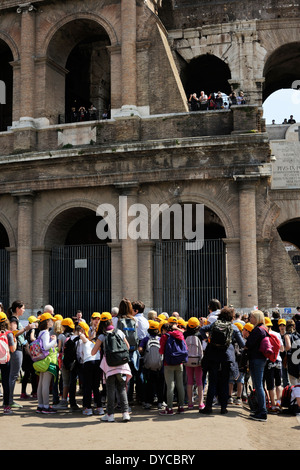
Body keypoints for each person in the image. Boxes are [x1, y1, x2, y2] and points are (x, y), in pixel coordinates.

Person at [199, 306, 245, 415]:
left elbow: (201, 329)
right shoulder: (233, 327)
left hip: (213, 356)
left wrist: (206, 339)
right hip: (226, 357)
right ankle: (223, 408)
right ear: (232, 317)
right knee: (224, 382)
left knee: (212, 381)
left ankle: (208, 407)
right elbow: (242, 344)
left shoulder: (215, 324)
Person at [91, 312, 132, 422]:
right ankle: (125, 413)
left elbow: (92, 352)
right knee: (122, 388)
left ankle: (110, 415)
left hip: (109, 366)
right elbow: (127, 347)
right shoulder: (119, 332)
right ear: (111, 321)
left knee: (110, 390)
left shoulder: (102, 336)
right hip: (122, 365)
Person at [7, 300, 34, 408]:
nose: (24, 310)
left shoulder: (14, 319)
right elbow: (14, 333)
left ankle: (9, 399)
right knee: (13, 375)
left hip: (17, 349)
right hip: (16, 349)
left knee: (13, 375)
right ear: (17, 309)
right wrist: (27, 328)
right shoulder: (13, 319)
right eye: (23, 308)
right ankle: (9, 400)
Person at [159, 316, 187, 415]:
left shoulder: (164, 336)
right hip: (179, 362)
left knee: (170, 385)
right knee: (180, 385)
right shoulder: (180, 334)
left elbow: (161, 350)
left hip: (168, 363)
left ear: (164, 330)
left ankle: (169, 408)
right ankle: (181, 407)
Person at [245, 309, 268, 421]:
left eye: (252, 317)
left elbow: (249, 344)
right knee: (258, 385)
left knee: (258, 385)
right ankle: (260, 409)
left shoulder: (258, 330)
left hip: (257, 359)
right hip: (260, 359)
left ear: (257, 318)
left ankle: (262, 411)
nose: (250, 319)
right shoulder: (263, 329)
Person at [77, 321, 103, 416]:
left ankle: (87, 408)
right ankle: (99, 407)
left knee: (87, 386)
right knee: (96, 386)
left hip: (88, 362)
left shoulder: (83, 341)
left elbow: (80, 354)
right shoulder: (95, 342)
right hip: (97, 362)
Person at [34, 312, 58, 414]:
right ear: (47, 322)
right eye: (51, 320)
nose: (52, 321)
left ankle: (40, 405)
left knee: (41, 384)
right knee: (45, 384)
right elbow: (45, 347)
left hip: (41, 361)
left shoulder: (41, 332)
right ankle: (46, 406)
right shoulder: (46, 333)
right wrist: (54, 341)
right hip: (47, 361)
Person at [139, 320, 164, 410]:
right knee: (160, 384)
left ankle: (147, 402)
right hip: (159, 366)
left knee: (148, 385)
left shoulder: (145, 339)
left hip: (148, 367)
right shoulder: (161, 339)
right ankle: (160, 402)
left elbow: (140, 349)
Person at [263, 317, 284, 413]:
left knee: (270, 384)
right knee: (279, 383)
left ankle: (273, 405)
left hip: (268, 361)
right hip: (278, 360)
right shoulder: (277, 334)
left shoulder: (264, 335)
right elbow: (282, 349)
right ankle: (278, 402)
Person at [54, 317, 76, 410]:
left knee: (65, 382)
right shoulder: (74, 335)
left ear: (64, 326)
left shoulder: (61, 336)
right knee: (73, 382)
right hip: (74, 362)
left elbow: (59, 349)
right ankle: (73, 401)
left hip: (64, 361)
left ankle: (64, 401)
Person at [183, 317, 204, 410]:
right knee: (199, 381)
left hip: (188, 360)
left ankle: (190, 403)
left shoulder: (185, 334)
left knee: (189, 381)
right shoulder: (200, 335)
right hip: (198, 361)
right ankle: (200, 403)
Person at [0, 312, 16, 414]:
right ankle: (6, 406)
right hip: (5, 360)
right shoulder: (8, 333)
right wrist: (14, 341)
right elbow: (13, 349)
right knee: (6, 382)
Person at [20, 315, 39, 399]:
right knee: (33, 374)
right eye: (36, 322)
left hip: (26, 355)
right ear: (33, 323)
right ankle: (34, 392)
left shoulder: (26, 330)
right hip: (31, 355)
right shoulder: (33, 330)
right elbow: (32, 339)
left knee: (26, 374)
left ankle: (23, 393)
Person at [278, 318, 291, 387]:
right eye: (280, 325)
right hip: (281, 357)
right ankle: (286, 389)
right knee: (283, 375)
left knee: (290, 375)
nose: (282, 327)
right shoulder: (278, 335)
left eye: (283, 325)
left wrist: (283, 349)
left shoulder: (288, 335)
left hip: (289, 357)